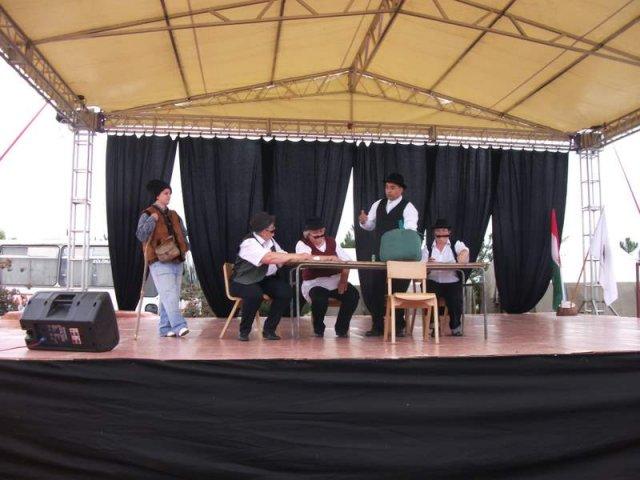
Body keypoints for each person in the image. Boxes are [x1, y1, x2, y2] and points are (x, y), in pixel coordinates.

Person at [230, 212, 314, 341]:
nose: (274, 233)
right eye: (272, 230)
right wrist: (297, 256)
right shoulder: (249, 243)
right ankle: (244, 331)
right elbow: (268, 258)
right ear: (263, 231)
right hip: (243, 281)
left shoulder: (271, 241)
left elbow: (282, 255)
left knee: (285, 291)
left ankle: (269, 330)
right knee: (254, 295)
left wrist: (300, 257)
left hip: (264, 280)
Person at [358, 172, 419, 337]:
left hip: (400, 256)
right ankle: (377, 325)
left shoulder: (408, 207)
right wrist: (363, 221)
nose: (388, 190)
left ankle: (398, 325)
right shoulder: (378, 204)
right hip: (380, 253)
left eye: (392, 187)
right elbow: (370, 225)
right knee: (375, 289)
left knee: (398, 289)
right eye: (387, 187)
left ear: (401, 189)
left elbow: (410, 230)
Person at [136, 179, 190, 338]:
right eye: (166, 193)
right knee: (170, 294)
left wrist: (185, 248)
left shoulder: (174, 215)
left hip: (177, 260)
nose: (169, 196)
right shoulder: (147, 214)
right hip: (159, 261)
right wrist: (152, 220)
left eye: (170, 193)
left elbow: (184, 233)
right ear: (157, 195)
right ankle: (179, 325)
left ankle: (165, 328)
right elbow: (141, 235)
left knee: (169, 295)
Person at [295, 217, 359, 338]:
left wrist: (343, 280)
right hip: (315, 283)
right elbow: (306, 258)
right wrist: (329, 258)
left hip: (335, 280)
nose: (319, 236)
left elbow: (347, 262)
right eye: (316, 234)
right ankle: (318, 329)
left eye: (321, 232)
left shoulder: (332, 242)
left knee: (353, 295)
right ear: (308, 234)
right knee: (320, 297)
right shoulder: (302, 244)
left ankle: (341, 328)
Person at [421, 218, 469, 336]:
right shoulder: (427, 247)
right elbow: (421, 268)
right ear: (434, 233)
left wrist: (462, 256)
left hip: (452, 281)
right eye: (438, 231)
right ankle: (434, 326)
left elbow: (464, 251)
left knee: (455, 297)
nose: (441, 233)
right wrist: (428, 266)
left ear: (449, 232)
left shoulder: (455, 244)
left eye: (444, 230)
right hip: (433, 281)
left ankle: (456, 327)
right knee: (428, 291)